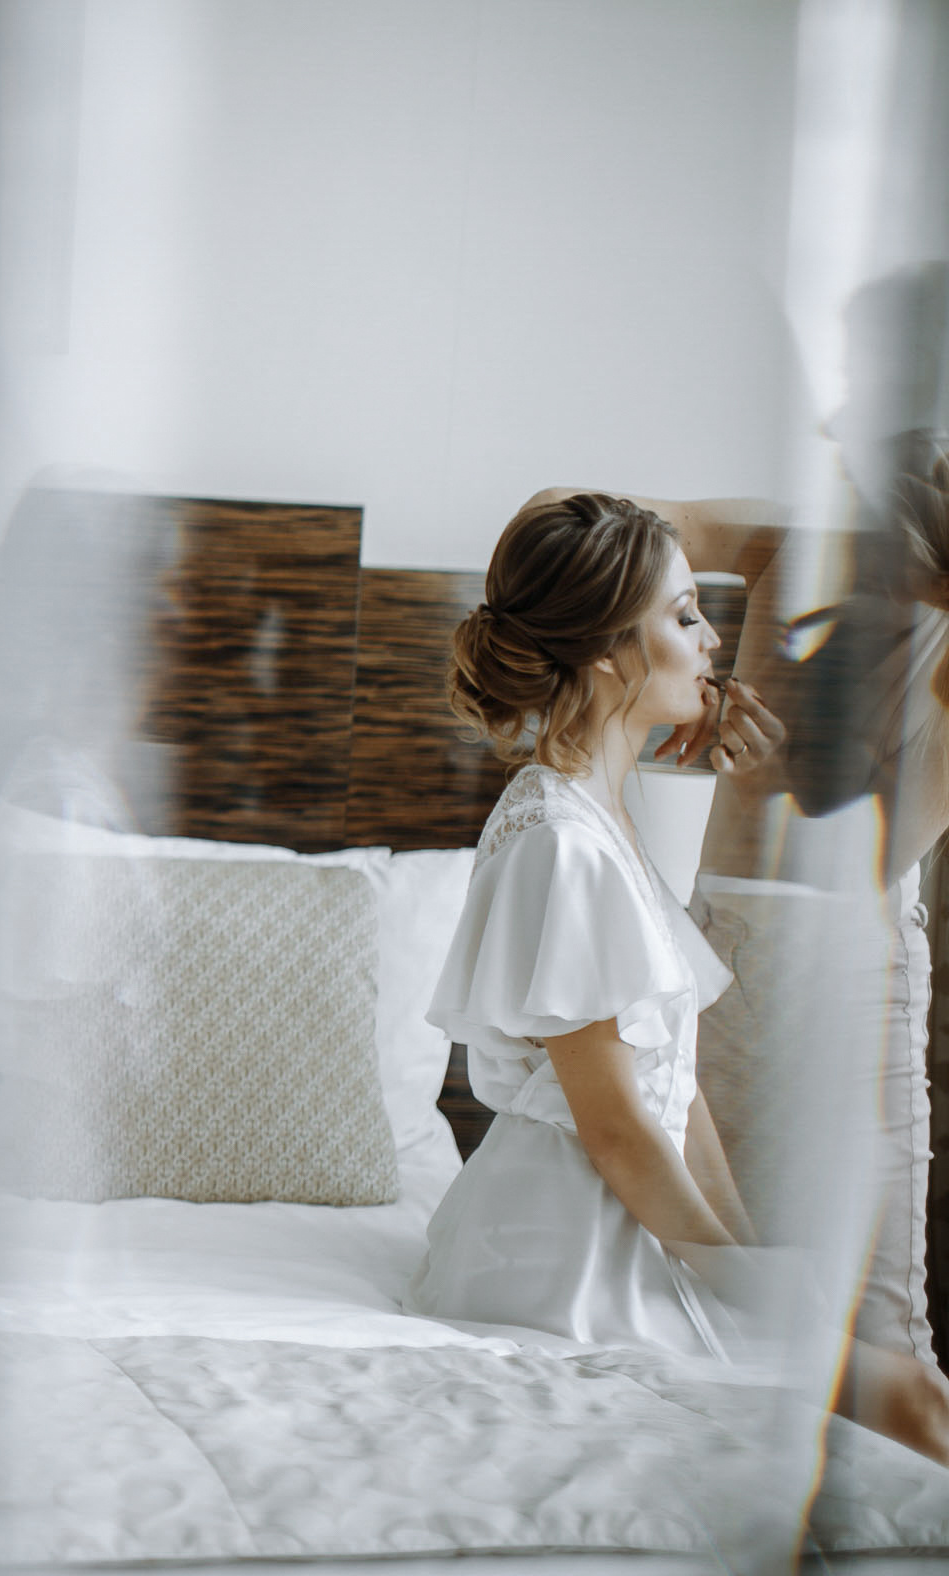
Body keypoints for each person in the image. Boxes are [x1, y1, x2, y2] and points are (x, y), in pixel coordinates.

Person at [405, 491, 949, 1464]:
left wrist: (748, 1271)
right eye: (688, 613)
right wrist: (750, 1295)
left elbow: (674, 1092)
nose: (713, 642)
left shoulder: (603, 821)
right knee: (888, 1407)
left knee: (883, 1395)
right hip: (562, 1256)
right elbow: (616, 1127)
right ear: (613, 650)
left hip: (622, 1230)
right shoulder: (560, 844)